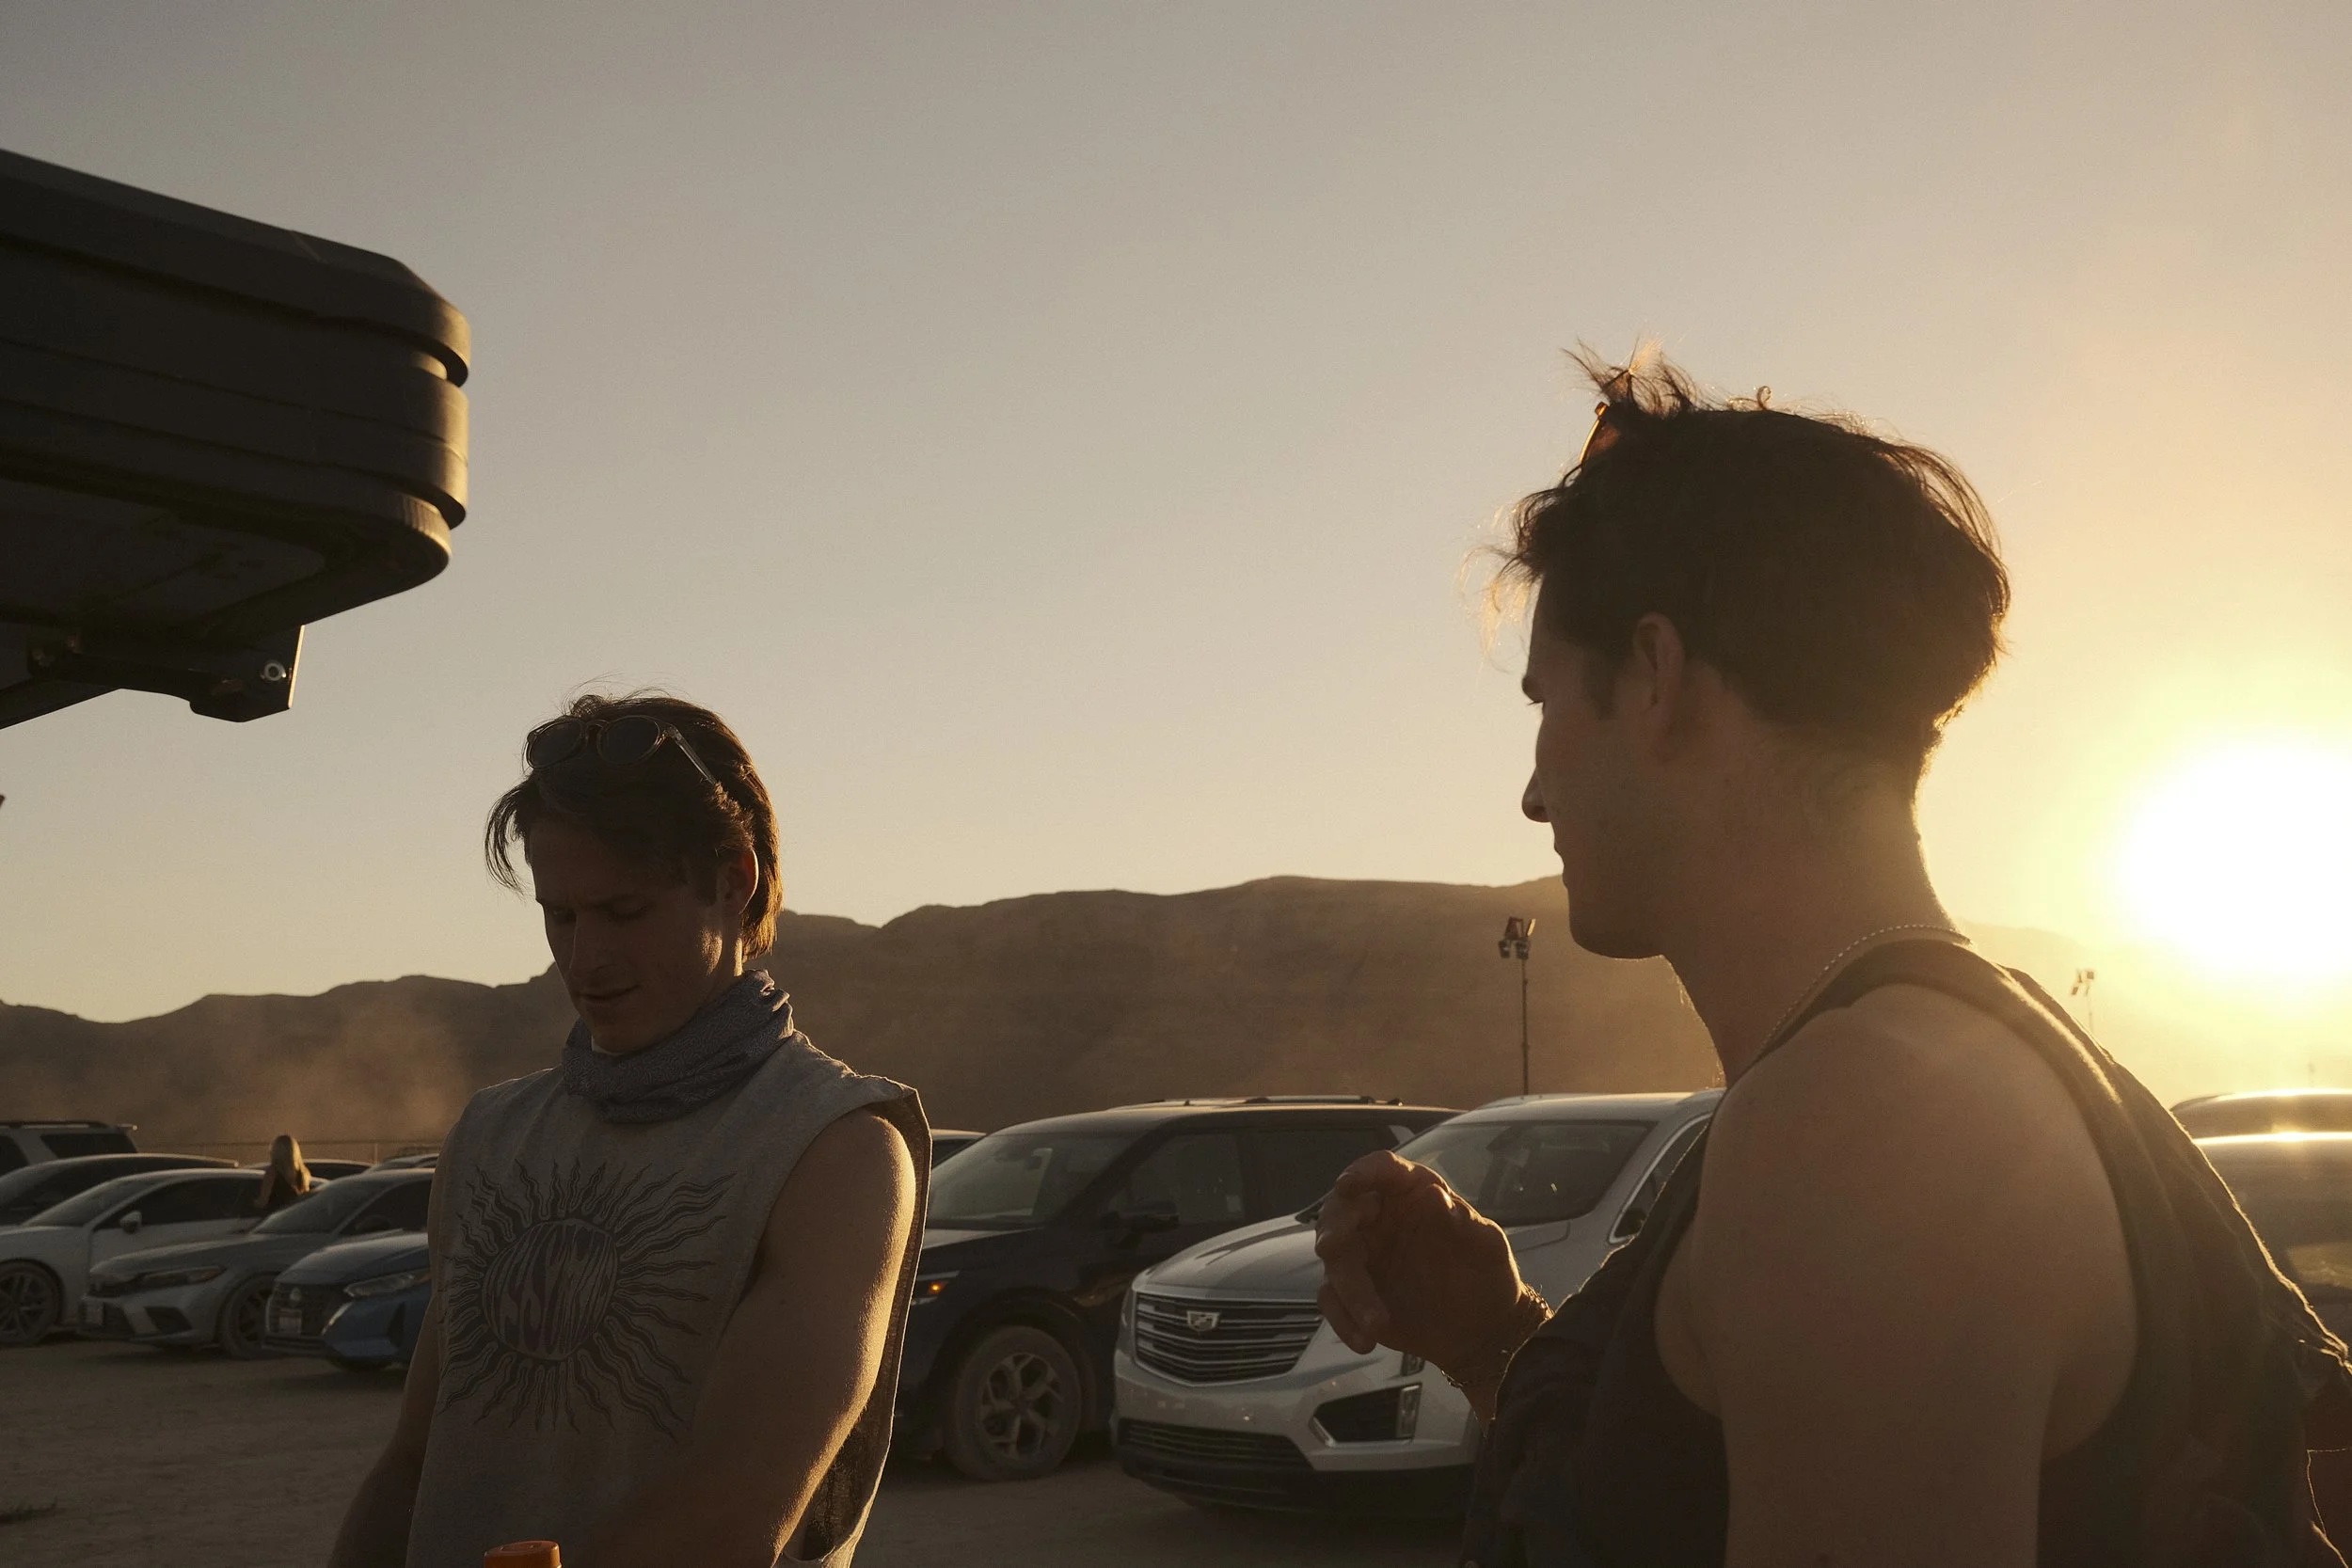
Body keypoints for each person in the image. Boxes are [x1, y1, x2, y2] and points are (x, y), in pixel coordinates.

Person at [1315, 354, 2352, 1567]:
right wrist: (1495, 1340)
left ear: (1652, 677)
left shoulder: (1863, 1126)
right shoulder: (1945, 1060)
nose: (1535, 791)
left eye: (1547, 704)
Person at [330, 693, 928, 1568]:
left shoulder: (836, 1151)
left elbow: (732, 1507)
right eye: (560, 915)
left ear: (735, 877)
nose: (582, 958)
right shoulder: (492, 1134)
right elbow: (416, 1461)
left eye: (624, 913)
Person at [251, 1132, 312, 1213]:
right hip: (296, 1217)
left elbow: (263, 1201)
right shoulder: (303, 1173)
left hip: (278, 1219)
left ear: (276, 1151)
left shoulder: (272, 1172)